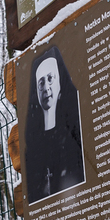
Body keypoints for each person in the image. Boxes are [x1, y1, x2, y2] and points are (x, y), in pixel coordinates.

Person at [25, 46, 84, 203]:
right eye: (41, 82)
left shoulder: (74, 133)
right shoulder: (33, 143)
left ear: (59, 81)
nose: (46, 88)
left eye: (50, 78)